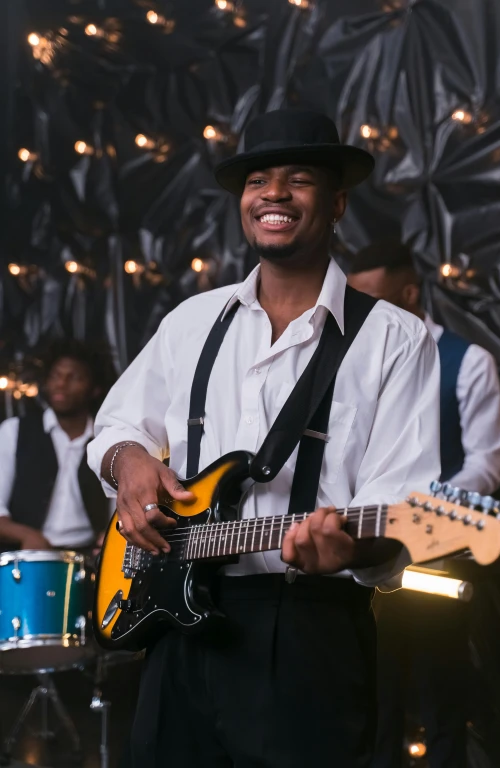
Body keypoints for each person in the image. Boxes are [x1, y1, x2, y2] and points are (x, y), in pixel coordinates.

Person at [88, 110, 441, 768]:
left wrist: (348, 547)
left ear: (335, 203)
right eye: (257, 180)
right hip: (176, 622)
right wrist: (128, 459)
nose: (272, 193)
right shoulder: (193, 319)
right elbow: (116, 427)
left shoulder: (395, 337)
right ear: (243, 203)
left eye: (298, 178)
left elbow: (404, 499)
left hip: (308, 632)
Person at [347, 239, 500, 768]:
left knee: (443, 692)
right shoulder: (351, 365)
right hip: (364, 556)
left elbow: (484, 466)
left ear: (409, 292)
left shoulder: (469, 362)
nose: (360, 313)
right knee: (374, 695)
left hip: (437, 561)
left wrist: (410, 510)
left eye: (372, 299)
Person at [0, 340, 112, 552]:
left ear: (95, 389)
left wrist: (109, 539)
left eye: (74, 377)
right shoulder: (14, 431)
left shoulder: (107, 438)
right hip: (25, 557)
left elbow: (119, 509)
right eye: (56, 376)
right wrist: (27, 535)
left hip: (87, 559)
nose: (61, 384)